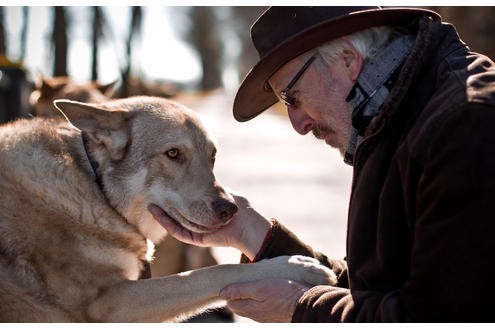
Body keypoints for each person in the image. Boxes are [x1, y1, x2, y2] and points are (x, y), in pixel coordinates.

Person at [148, 6, 495, 322]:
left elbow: (436, 316)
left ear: (347, 58)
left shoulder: (466, 123)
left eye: (292, 97)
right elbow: (375, 289)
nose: (299, 124)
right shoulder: (394, 114)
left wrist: (300, 306)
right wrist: (253, 235)